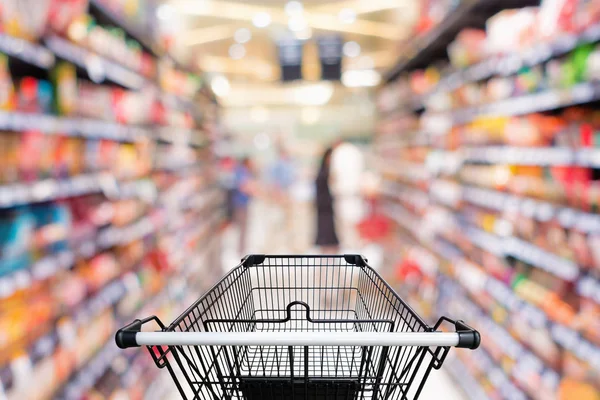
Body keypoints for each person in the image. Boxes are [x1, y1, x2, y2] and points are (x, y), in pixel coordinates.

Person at [268, 146, 296, 251]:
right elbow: (274, 182)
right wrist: (277, 195)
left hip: (287, 194)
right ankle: (277, 245)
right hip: (280, 195)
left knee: (288, 222)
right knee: (278, 220)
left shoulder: (288, 165)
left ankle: (287, 245)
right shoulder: (277, 165)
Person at [314, 147, 339, 254]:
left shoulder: (325, 169)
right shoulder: (325, 171)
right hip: (324, 202)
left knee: (327, 224)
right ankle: (325, 243)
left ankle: (328, 243)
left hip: (325, 202)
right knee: (325, 224)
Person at [233, 157, 255, 255]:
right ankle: (240, 250)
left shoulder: (244, 172)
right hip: (240, 204)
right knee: (242, 228)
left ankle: (242, 248)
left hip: (243, 203)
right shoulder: (241, 171)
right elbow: (244, 186)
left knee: (244, 228)